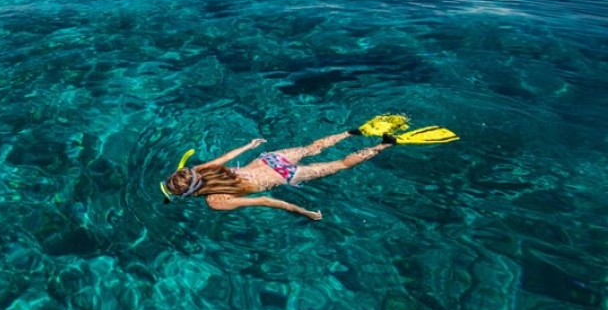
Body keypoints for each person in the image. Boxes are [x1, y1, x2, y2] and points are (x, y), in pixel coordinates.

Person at [160, 116, 458, 220]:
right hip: (270, 158)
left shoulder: (216, 201)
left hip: (285, 176)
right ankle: (354, 132)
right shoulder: (206, 169)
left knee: (341, 163)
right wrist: (251, 146)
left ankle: (387, 144)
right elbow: (226, 156)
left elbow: (265, 200)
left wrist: (304, 212)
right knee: (315, 146)